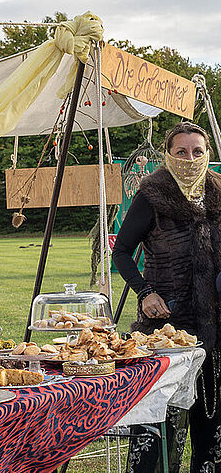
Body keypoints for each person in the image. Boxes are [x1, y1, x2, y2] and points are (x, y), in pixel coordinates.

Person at [112, 122, 221, 472]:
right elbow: (123, 251)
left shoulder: (218, 192)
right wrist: (144, 291)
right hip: (167, 325)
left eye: (197, 151)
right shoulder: (152, 194)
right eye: (181, 152)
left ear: (208, 155)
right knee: (160, 420)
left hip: (216, 323)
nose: (190, 158)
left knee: (212, 413)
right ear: (168, 155)